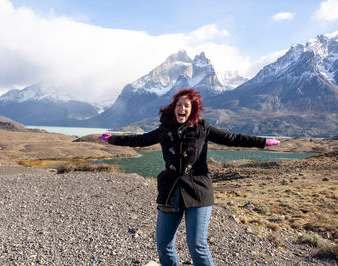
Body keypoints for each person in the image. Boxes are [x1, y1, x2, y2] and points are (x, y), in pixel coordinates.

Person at [98, 88, 279, 266]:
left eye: (186, 105)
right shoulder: (164, 129)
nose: (182, 108)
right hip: (171, 191)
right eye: (179, 104)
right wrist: (113, 139)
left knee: (197, 245)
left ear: (193, 109)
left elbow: (232, 138)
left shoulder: (203, 128)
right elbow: (138, 140)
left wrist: (262, 142)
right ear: (174, 107)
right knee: (163, 244)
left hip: (198, 191)